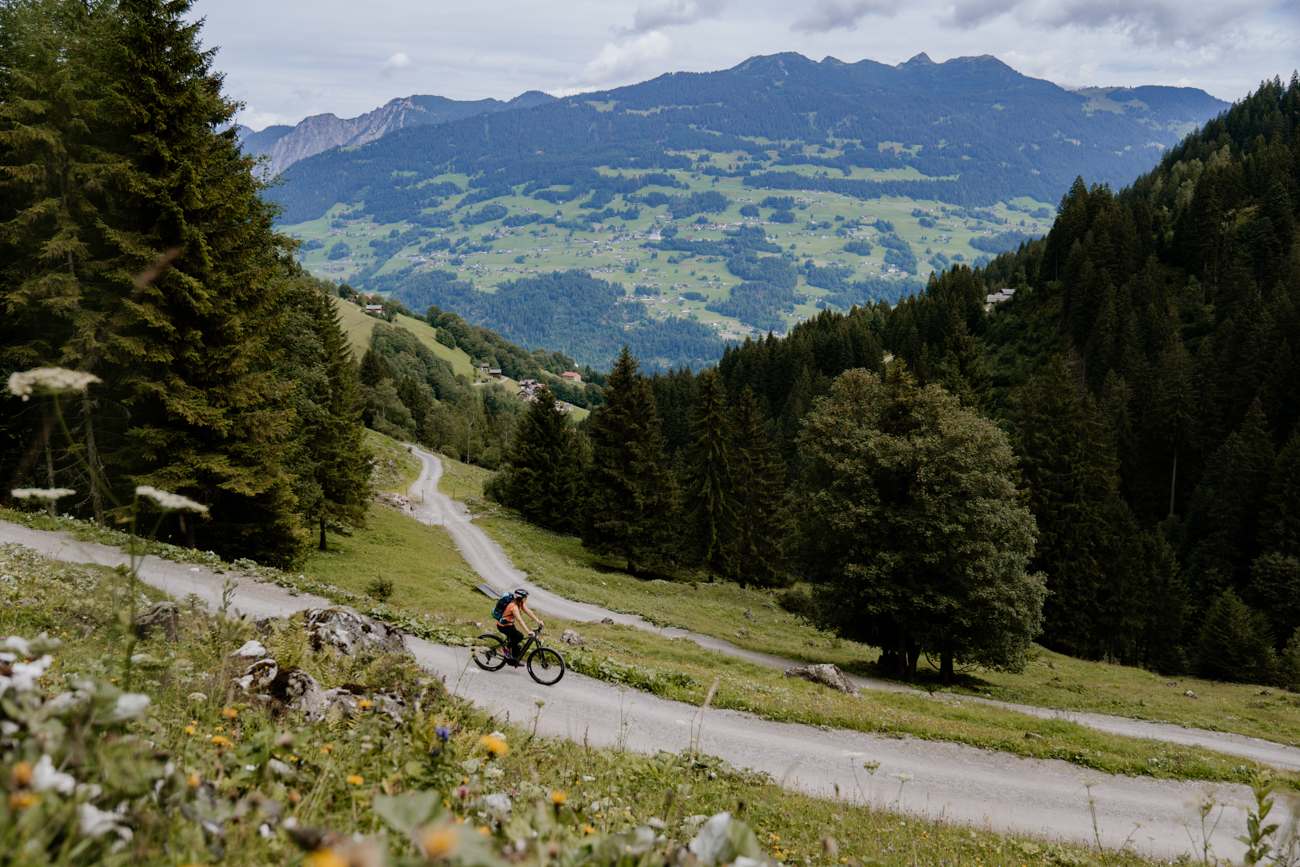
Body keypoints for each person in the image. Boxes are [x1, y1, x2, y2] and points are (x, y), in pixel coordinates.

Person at [496, 588, 543, 665]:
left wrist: (538, 621)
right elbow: (520, 620)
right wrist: (528, 631)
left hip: (510, 625)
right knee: (519, 636)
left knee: (516, 644)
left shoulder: (520, 603)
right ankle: (504, 649)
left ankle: (514, 660)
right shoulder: (513, 606)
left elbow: (529, 612)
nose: (526, 599)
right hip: (503, 626)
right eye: (525, 597)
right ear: (520, 598)